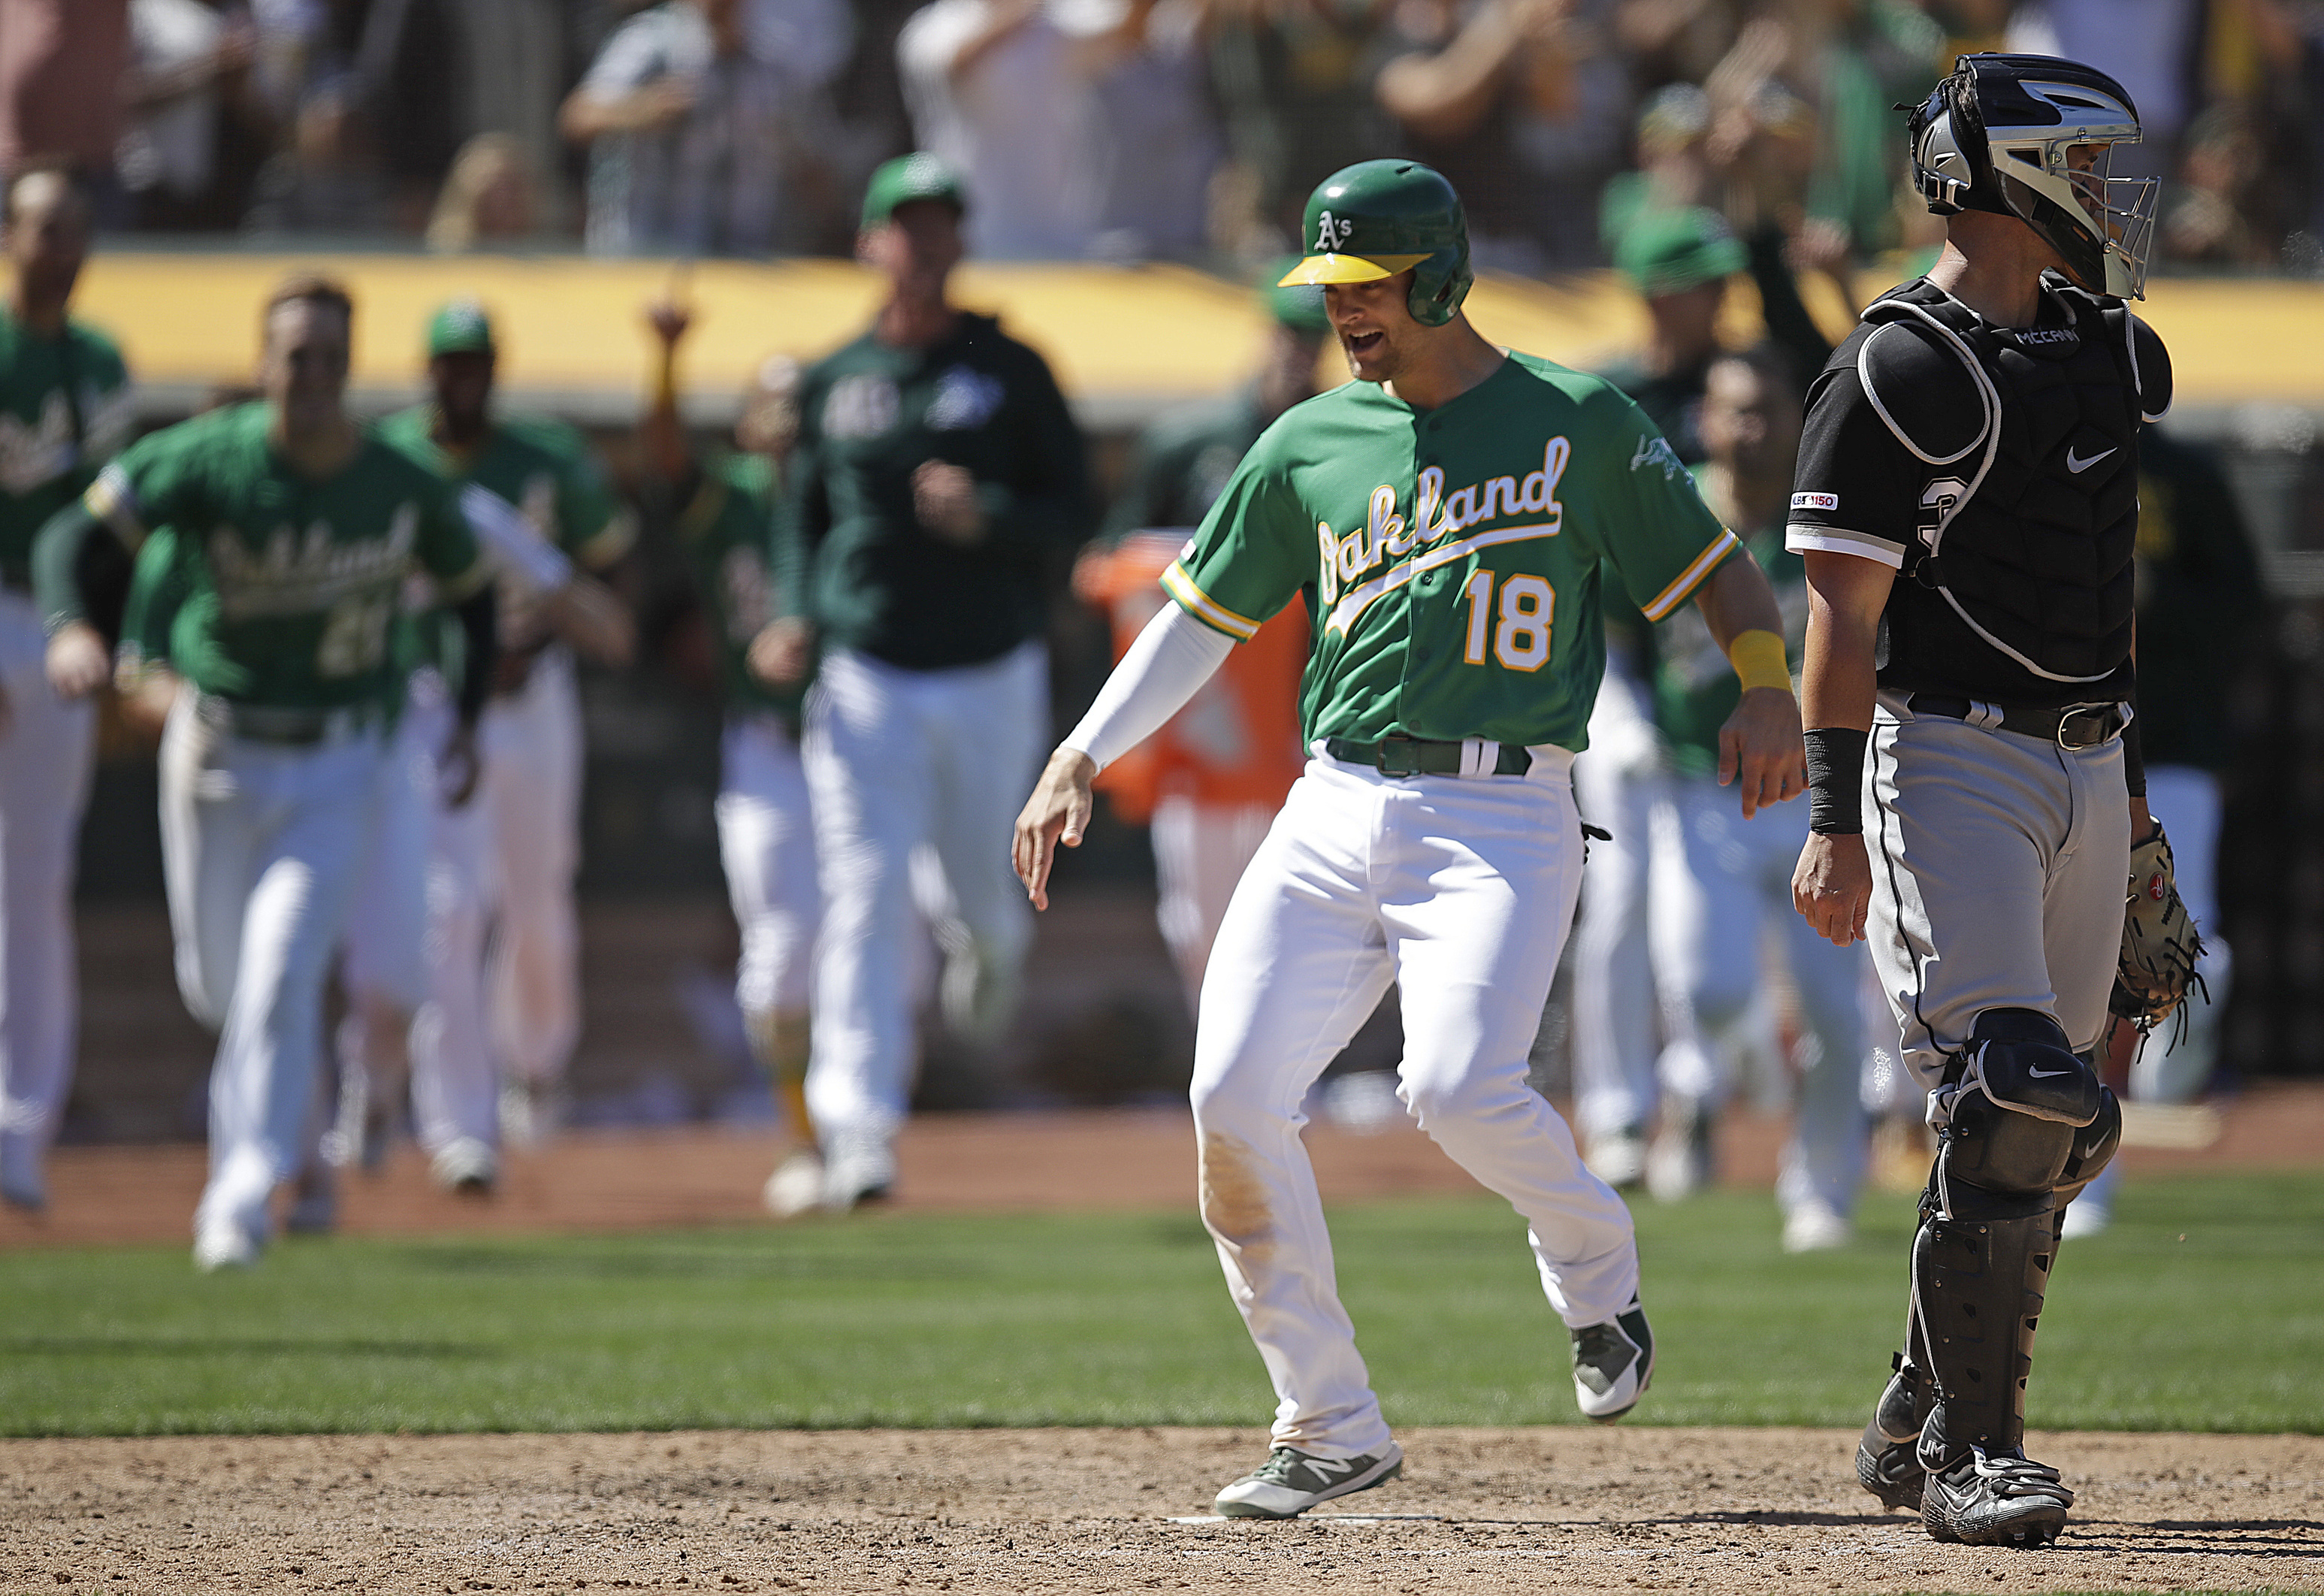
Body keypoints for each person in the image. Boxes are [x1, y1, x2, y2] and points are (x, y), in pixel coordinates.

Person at [1015, 159, 1806, 1519]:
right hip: (1330, 801)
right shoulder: (1309, 441)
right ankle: (1327, 1417)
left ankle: (1591, 1257)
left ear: (1435, 276)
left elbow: (1715, 566)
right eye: (1330, 286)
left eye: (1364, 283)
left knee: (1451, 1082)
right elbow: (1197, 617)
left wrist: (1764, 683)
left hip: (1502, 807)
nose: (1342, 311)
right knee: (1230, 1099)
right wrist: (1084, 746)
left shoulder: (1575, 417)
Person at [1788, 54, 2166, 1546]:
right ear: (2000, 177)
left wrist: (2129, 815)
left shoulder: (2105, 349)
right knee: (2011, 1089)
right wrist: (1830, 823)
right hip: (1949, 753)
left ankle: (1917, 1394)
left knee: (2064, 1125)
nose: (2103, 195)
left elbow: (2103, 585)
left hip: (2087, 755)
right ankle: (1966, 1453)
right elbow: (1838, 620)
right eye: (2077, 165)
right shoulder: (1897, 365)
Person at [33, 274, 497, 1270]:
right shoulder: (209, 461)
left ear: (353, 365)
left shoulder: (398, 482)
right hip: (219, 756)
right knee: (219, 987)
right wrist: (76, 627)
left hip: (339, 761)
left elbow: (472, 596)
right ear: (263, 365)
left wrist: (462, 715)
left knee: (283, 973)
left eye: (333, 358)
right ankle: (276, 1155)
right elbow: (74, 535)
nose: (315, 377)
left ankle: (242, 1192)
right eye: (297, 357)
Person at [777, 153, 1092, 1210]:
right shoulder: (831, 380)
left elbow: (1076, 511)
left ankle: (990, 949)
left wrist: (987, 514)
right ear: (871, 242)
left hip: (989, 669)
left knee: (985, 899)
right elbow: (801, 520)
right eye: (901, 225)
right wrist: (794, 614)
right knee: (861, 895)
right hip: (866, 674)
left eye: (937, 223)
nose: (920, 242)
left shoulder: (1013, 369)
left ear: (960, 241)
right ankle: (857, 1129)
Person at [373, 301, 637, 1155]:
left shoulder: (546, 458)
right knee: (448, 910)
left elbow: (607, 568)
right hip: (436, 703)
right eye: (450, 363)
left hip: (534, 699)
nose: (464, 379)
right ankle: (459, 1125)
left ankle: (539, 1064)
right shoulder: (394, 461)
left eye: (477, 362)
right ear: (428, 369)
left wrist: (564, 627)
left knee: (538, 903)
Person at [1638, 346, 1871, 1245]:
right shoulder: (1672, 507)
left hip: (1816, 797)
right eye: (1734, 409)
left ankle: (1821, 1187)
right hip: (1704, 784)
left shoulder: (1833, 505)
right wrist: (1619, 721)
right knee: (1709, 990)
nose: (1752, 429)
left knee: (1832, 1009)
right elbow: (1615, 630)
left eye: (1769, 408)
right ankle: (1712, 1084)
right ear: (1704, 418)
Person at [1074, 268, 1325, 1005]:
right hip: (1204, 715)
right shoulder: (1192, 440)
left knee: (1296, 900)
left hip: (1305, 710)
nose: (1300, 353)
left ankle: (1281, 1075)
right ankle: (1215, 1069)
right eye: (1290, 333)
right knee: (1197, 912)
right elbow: (1113, 554)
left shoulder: (1351, 438)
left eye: (1317, 339)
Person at [639, 300, 826, 1217]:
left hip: (861, 747)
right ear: (750, 425)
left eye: (804, 411)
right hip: (766, 746)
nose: (789, 429)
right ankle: (804, 1133)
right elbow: (669, 468)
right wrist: (667, 360)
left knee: (894, 957)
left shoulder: (846, 494)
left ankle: (855, 1129)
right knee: (780, 959)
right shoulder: (739, 499)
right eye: (775, 410)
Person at [2060, 419, 2267, 1237]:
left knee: (2179, 937)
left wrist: (2146, 597)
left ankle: (2170, 1059)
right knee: (2074, 955)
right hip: (2056, 741)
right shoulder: (2029, 439)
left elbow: (2242, 597)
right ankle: (2085, 1173)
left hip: (2170, 744)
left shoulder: (2182, 468)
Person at [0, 166, 132, 1213]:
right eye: (46, 229)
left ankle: (21, 1129)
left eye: (76, 231)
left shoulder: (100, 364)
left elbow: (113, 530)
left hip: (60, 628)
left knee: (39, 879)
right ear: (11, 238)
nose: (62, 248)